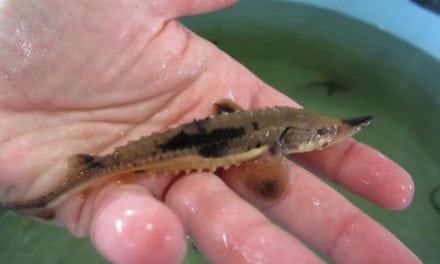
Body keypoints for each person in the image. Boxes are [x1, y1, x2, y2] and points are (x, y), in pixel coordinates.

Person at [0, 1, 420, 263]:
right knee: (89, 180)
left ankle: (38, 200)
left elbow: (224, 110)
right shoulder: (272, 150)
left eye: (325, 134)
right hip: (163, 153)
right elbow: (268, 188)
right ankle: (40, 200)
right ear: (286, 138)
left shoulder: (264, 125)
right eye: (322, 135)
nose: (329, 138)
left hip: (197, 142)